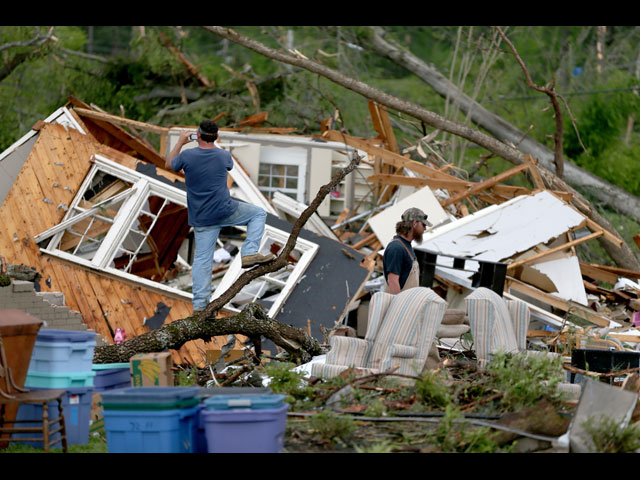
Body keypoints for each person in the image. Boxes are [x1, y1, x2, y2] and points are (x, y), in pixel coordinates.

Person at [166, 120, 274, 313]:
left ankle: (200, 306)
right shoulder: (224, 155)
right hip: (225, 210)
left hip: (202, 217)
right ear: (216, 137)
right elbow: (224, 164)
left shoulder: (187, 156)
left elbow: (169, 164)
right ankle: (248, 253)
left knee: (202, 259)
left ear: (197, 135)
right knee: (258, 213)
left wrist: (180, 142)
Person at [382, 207, 432, 294]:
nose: (425, 228)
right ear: (415, 223)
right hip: (399, 305)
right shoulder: (396, 248)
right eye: (423, 225)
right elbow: (393, 282)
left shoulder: (406, 246)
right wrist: (398, 306)